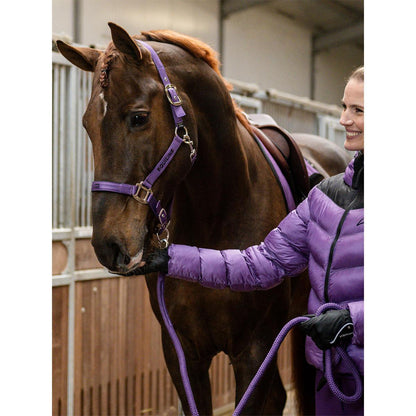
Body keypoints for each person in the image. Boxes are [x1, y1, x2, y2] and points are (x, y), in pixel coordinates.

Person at [133, 66, 364, 415]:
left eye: (358, 110)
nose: (344, 119)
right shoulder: (326, 196)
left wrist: (352, 320)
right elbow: (262, 263)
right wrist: (171, 258)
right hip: (333, 378)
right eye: (344, 107)